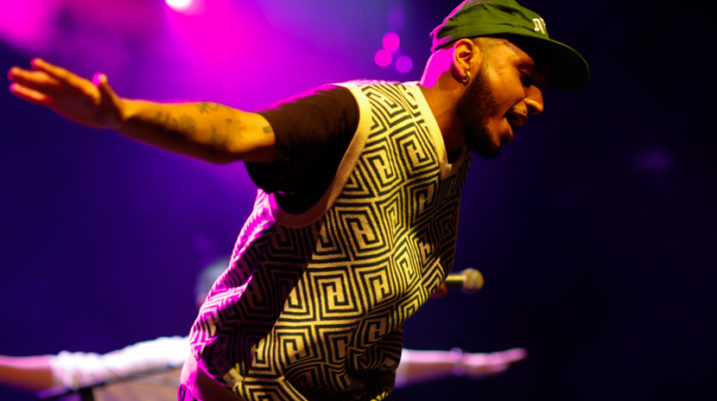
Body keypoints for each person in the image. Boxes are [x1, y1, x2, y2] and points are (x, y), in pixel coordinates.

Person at [7, 0, 588, 400]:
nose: (537, 100)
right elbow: (235, 133)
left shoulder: (453, 162)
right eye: (525, 73)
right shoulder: (356, 116)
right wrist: (122, 114)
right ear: (465, 60)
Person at [0, 259, 526, 401]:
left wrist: (463, 363)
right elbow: (76, 373)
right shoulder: (174, 360)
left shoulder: (287, 358)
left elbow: (390, 366)